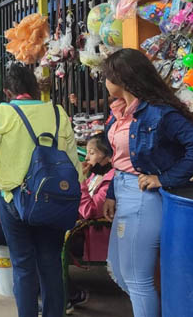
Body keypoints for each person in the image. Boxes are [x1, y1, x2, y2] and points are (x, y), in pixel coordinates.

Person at [101, 49, 193, 317]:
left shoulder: (159, 114)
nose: (105, 81)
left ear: (123, 78)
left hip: (144, 199)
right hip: (123, 191)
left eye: (107, 76)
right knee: (119, 271)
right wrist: (111, 192)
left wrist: (163, 179)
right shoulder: (120, 112)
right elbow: (121, 159)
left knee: (137, 279)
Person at [0, 64, 81, 317]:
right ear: (35, 88)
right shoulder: (57, 112)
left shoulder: (2, 113)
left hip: (14, 197)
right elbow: (73, 162)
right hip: (54, 198)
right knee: (51, 262)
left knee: (23, 265)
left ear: (7, 91)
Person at [66, 133, 115, 314]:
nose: (87, 157)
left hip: (92, 236)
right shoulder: (98, 175)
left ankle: (68, 295)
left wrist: (79, 180)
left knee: (45, 247)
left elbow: (89, 211)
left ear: (108, 156)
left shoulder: (111, 180)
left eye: (92, 153)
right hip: (82, 229)